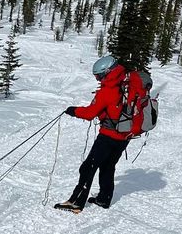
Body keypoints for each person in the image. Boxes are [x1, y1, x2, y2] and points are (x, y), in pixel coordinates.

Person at [54, 55, 131, 214]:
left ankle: (76, 202)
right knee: (108, 166)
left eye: (99, 76)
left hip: (108, 136)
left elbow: (90, 113)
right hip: (125, 135)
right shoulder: (126, 82)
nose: (98, 79)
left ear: (107, 72)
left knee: (88, 167)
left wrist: (73, 110)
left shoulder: (108, 90)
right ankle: (104, 199)